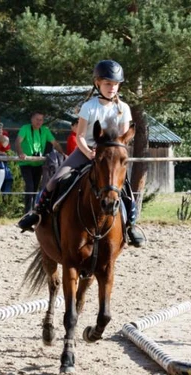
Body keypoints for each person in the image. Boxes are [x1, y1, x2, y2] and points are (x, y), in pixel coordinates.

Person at [17, 60, 145, 247]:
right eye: (108, 83)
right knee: (55, 181)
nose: (112, 88)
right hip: (86, 152)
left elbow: (123, 139)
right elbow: (81, 136)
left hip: (109, 157)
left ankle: (131, 226)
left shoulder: (123, 108)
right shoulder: (89, 107)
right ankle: (37, 213)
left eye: (115, 84)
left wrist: (109, 153)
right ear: (98, 83)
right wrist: (89, 153)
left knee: (125, 190)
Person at [15, 112, 66, 214]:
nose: (39, 122)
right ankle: (27, 212)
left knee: (35, 187)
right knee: (29, 186)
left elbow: (55, 143)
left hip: (38, 164)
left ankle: (33, 211)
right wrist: (20, 153)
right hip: (26, 163)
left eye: (41, 120)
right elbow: (17, 141)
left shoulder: (45, 130)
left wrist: (63, 154)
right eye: (37, 119)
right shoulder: (25, 128)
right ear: (31, 119)